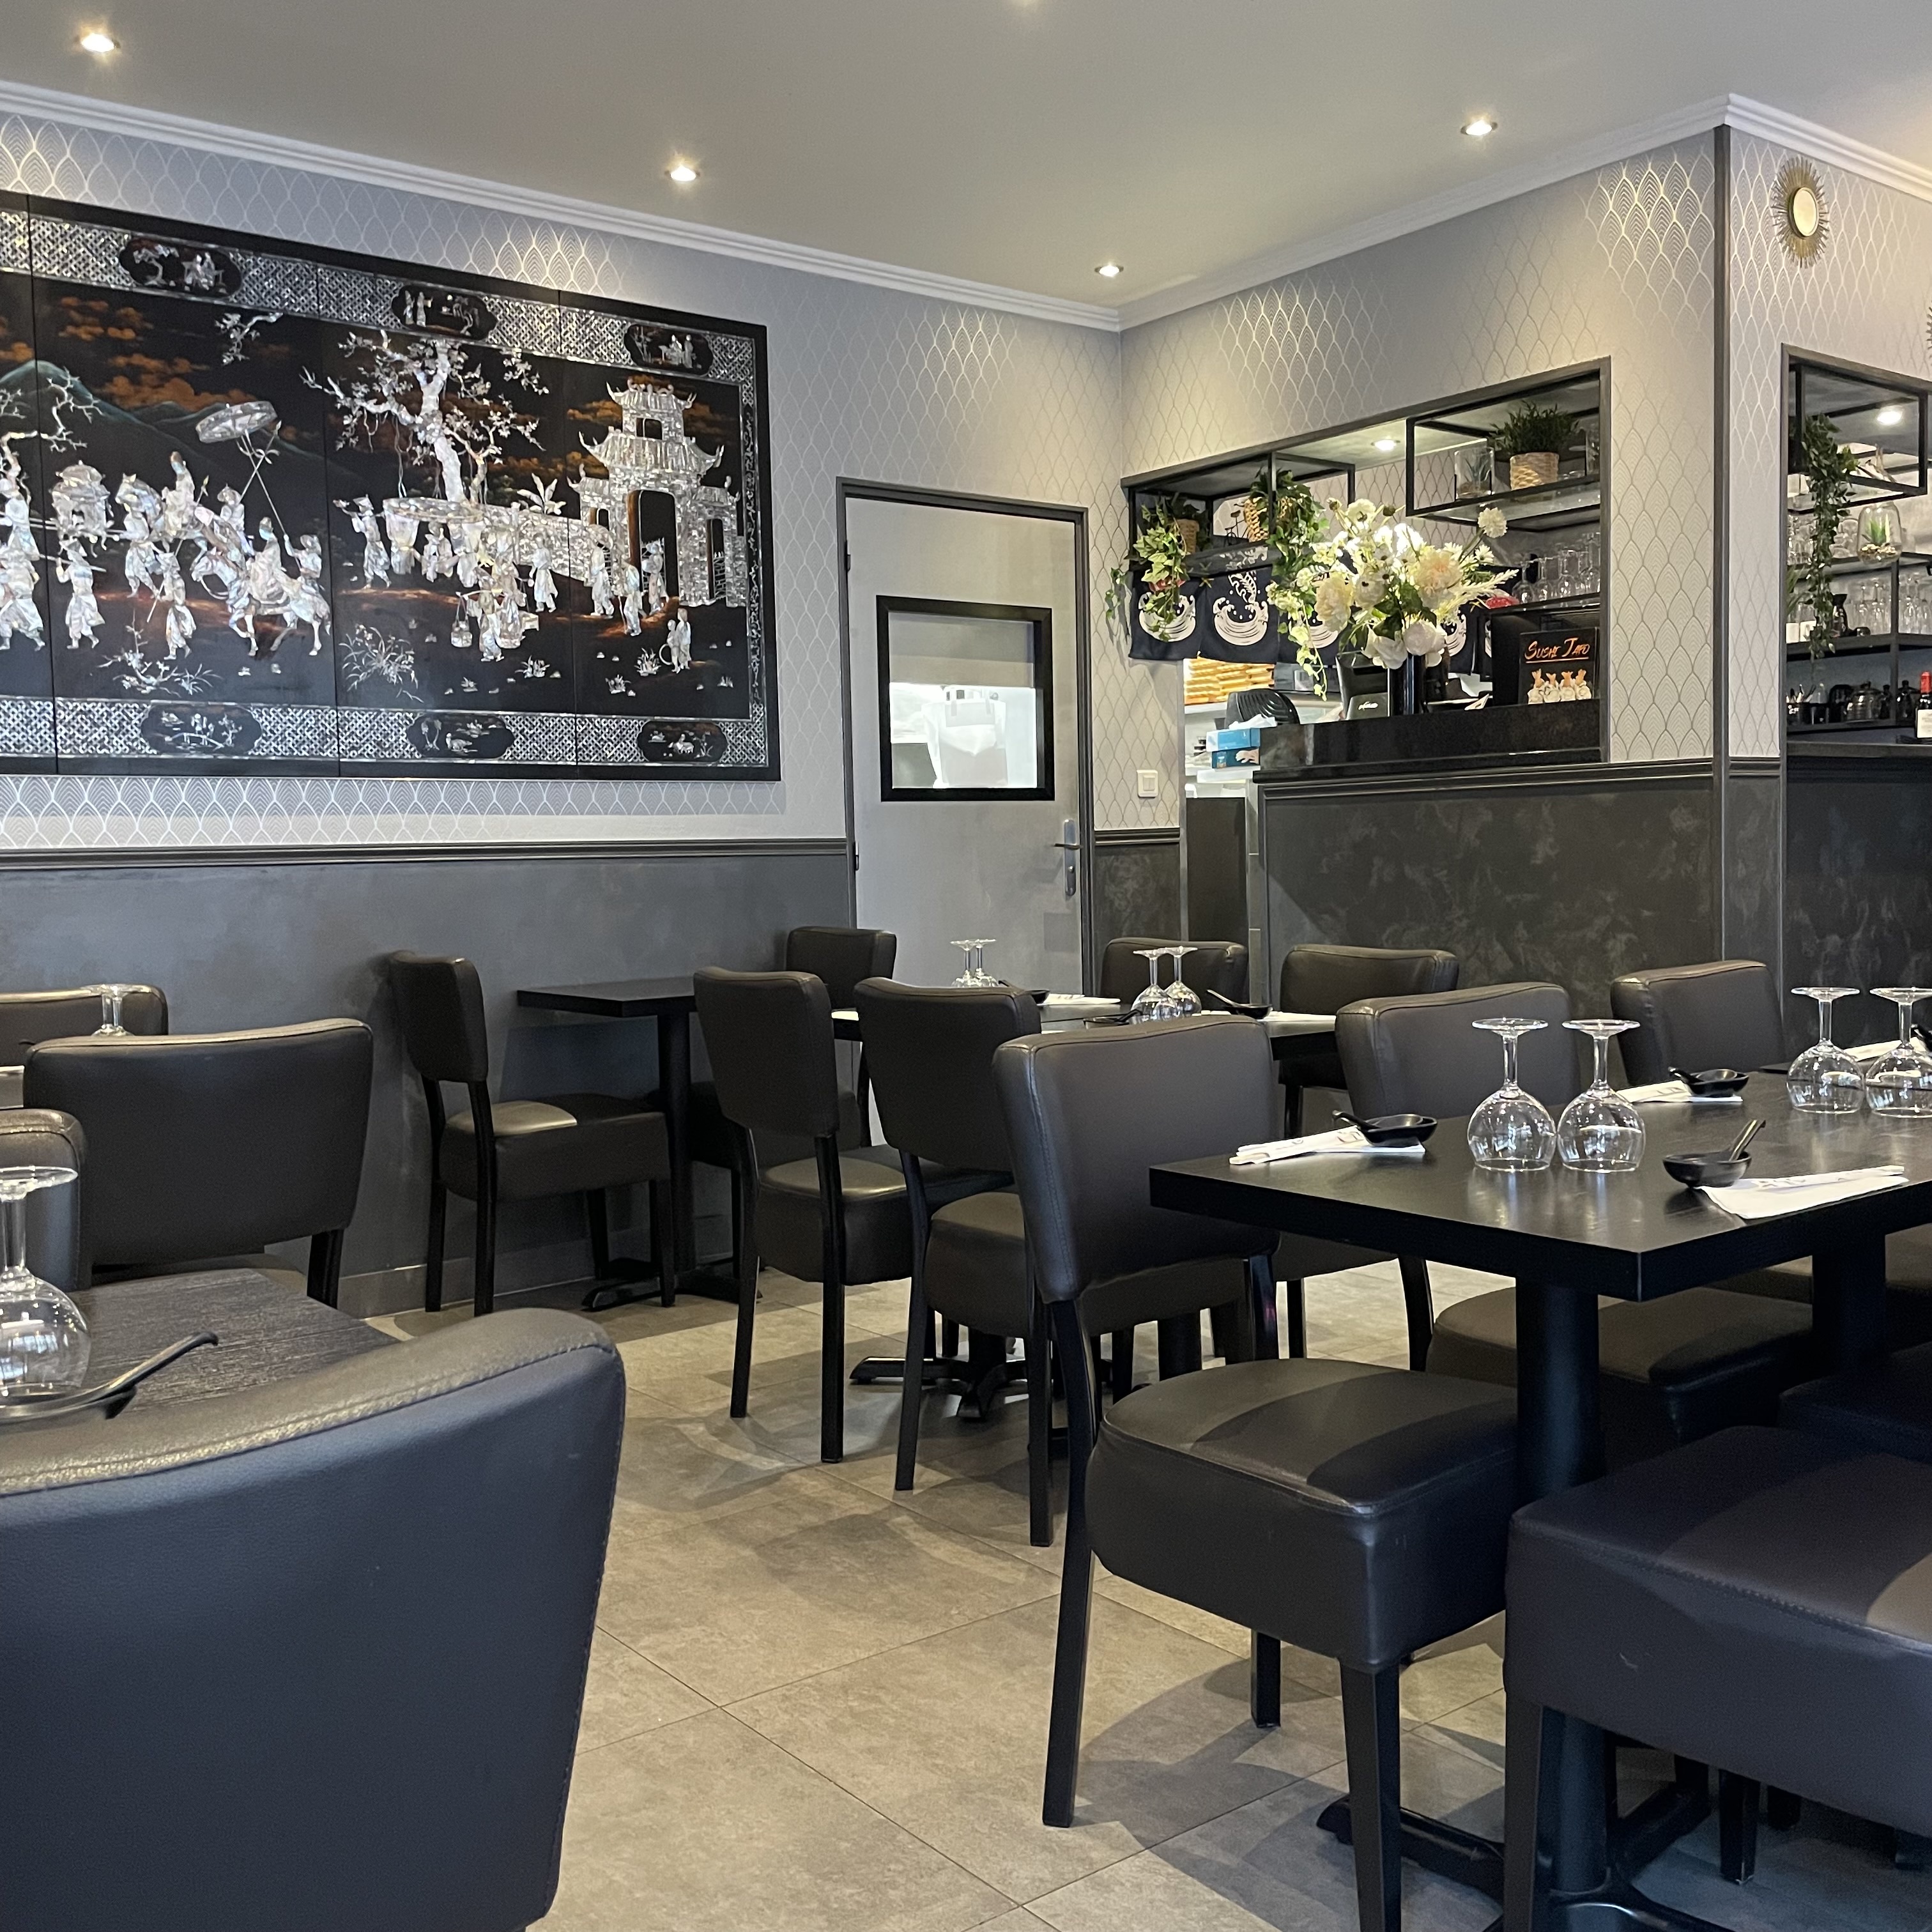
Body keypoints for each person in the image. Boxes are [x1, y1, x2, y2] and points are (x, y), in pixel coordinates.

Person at [56, 540, 100, 647]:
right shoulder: (87, 566)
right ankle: (93, 639)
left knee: (74, 619)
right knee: (84, 620)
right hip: (89, 597)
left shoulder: (73, 567)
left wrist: (59, 566)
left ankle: (75, 642)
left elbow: (62, 579)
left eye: (69, 552)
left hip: (80, 597)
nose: (68, 555)